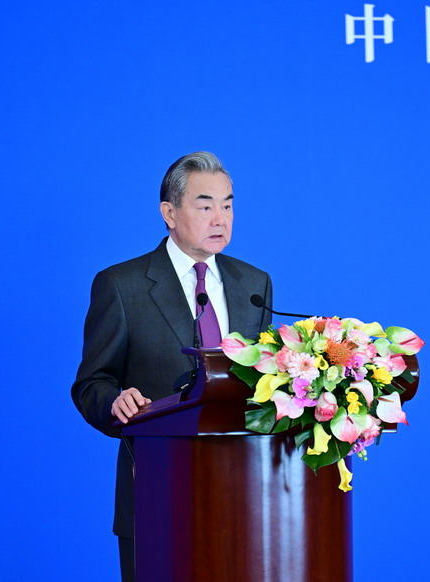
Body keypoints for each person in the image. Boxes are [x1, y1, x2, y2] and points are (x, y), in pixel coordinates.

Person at [71, 151, 273, 582]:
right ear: (169, 213)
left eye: (228, 206)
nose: (220, 219)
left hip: (245, 492)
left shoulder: (254, 284)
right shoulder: (122, 285)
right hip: (156, 489)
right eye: (205, 206)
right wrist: (116, 402)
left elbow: (264, 384)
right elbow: (91, 383)